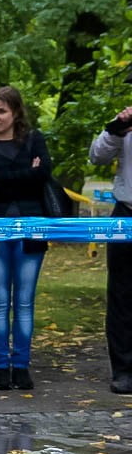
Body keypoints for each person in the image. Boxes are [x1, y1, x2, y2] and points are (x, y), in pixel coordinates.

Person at [0, 86, 51, 391]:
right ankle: (1, 368)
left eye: (1, 111)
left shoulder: (34, 140)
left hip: (31, 232)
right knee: (0, 301)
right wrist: (23, 175)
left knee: (25, 301)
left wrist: (0, 177)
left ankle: (22, 365)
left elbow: (43, 177)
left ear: (16, 112)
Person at [89, 105, 132, 394]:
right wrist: (114, 129)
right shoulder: (123, 124)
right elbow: (97, 156)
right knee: (121, 294)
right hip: (126, 213)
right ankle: (124, 370)